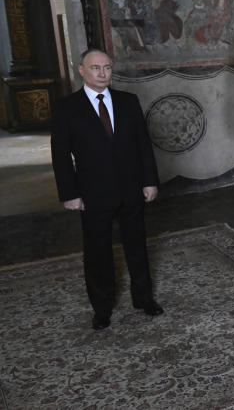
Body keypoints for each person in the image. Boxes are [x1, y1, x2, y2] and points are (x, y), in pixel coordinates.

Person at [50, 49, 162, 330]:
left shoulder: (129, 101)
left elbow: (143, 146)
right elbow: (60, 155)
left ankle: (144, 298)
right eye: (95, 68)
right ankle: (102, 308)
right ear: (81, 70)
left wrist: (150, 181)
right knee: (97, 251)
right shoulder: (66, 108)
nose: (102, 73)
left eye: (107, 68)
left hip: (131, 188)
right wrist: (70, 194)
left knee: (136, 246)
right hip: (92, 193)